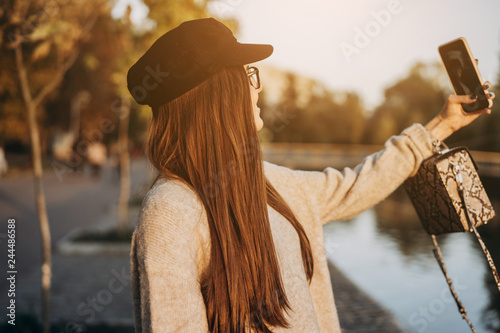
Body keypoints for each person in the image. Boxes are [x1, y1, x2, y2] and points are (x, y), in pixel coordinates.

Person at [127, 18, 494, 333]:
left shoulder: (273, 182)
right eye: (247, 75)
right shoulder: (170, 212)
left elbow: (356, 184)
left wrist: (443, 125)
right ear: (216, 95)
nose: (257, 88)